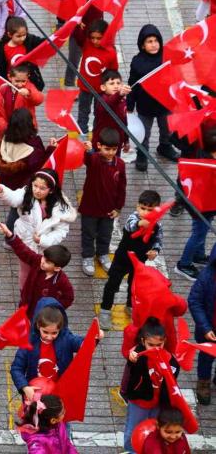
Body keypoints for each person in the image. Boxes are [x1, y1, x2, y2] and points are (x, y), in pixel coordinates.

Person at [0, 169, 76, 289]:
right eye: (35, 186)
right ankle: (24, 292)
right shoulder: (26, 193)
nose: (37, 190)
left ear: (51, 190)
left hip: (46, 249)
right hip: (26, 242)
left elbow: (61, 231)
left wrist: (43, 240)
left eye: (42, 188)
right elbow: (14, 198)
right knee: (25, 271)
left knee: (42, 273)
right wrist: (3, 191)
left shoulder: (61, 208)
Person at [99, 190, 164, 329]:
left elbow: (158, 240)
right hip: (122, 259)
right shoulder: (133, 218)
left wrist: (155, 250)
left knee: (135, 286)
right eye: (142, 208)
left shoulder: (157, 224)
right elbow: (131, 226)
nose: (145, 212)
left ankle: (130, 305)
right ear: (137, 206)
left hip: (139, 261)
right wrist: (141, 223)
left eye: (150, 210)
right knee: (112, 284)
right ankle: (105, 310)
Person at [11, 298, 89, 402]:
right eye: (45, 332)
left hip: (59, 393)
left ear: (60, 328)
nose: (49, 337)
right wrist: (25, 387)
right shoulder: (28, 343)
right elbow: (16, 368)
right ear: (38, 326)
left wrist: (94, 337)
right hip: (35, 394)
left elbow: (83, 344)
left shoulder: (66, 339)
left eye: (54, 333)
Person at [121, 317, 180, 453]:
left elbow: (172, 382)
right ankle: (131, 450)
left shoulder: (170, 360)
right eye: (151, 345)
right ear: (143, 341)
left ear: (164, 341)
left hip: (158, 403)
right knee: (132, 429)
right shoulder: (138, 356)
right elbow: (132, 372)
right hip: (139, 401)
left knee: (155, 429)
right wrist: (131, 360)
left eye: (159, 345)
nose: (155, 348)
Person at [128, 24, 180, 171]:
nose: (154, 44)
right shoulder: (137, 62)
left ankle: (165, 146)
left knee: (166, 129)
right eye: (149, 41)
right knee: (144, 132)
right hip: (145, 105)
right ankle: (142, 153)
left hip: (165, 103)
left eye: (156, 41)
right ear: (142, 45)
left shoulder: (167, 57)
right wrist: (130, 106)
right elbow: (133, 85)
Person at [77, 128, 127, 277]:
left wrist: (118, 207)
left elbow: (122, 187)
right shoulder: (94, 160)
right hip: (90, 207)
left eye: (114, 149)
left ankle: (103, 254)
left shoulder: (120, 164)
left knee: (106, 234)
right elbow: (88, 160)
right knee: (88, 233)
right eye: (107, 149)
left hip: (109, 209)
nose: (110, 152)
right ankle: (87, 256)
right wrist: (88, 151)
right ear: (99, 146)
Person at [0, 223, 74, 317]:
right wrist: (9, 235)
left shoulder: (62, 280)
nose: (42, 261)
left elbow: (69, 297)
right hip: (25, 306)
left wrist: (54, 309)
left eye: (47, 262)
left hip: (41, 316)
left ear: (57, 268)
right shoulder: (38, 261)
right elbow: (24, 251)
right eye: (44, 257)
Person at [0, 109, 53, 223]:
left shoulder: (5, 140)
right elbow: (42, 167)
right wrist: (51, 149)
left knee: (15, 207)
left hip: (9, 186)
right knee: (20, 212)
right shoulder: (32, 149)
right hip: (25, 190)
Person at [174, 124, 216, 279]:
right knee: (198, 233)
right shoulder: (205, 165)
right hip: (201, 207)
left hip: (206, 206)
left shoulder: (202, 156)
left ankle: (199, 255)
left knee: (203, 230)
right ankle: (184, 264)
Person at [64, 0, 103, 91]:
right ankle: (69, 84)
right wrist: (76, 14)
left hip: (96, 32)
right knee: (74, 60)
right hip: (80, 33)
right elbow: (69, 11)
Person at [76, 19, 119, 133]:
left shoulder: (111, 52)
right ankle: (82, 132)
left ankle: (97, 133)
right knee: (83, 111)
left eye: (99, 38)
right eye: (92, 38)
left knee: (99, 113)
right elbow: (78, 38)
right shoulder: (87, 44)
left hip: (101, 90)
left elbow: (113, 72)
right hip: (85, 87)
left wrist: (112, 88)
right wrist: (78, 27)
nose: (95, 41)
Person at [0, 64, 45, 138]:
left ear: (28, 77)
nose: (20, 85)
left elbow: (39, 99)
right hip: (6, 130)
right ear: (10, 77)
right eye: (17, 81)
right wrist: (3, 126)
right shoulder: (2, 90)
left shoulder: (29, 87)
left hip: (25, 129)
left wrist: (29, 93)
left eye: (23, 81)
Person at [188, 260, 216, 404]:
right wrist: (206, 328)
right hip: (210, 330)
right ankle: (203, 382)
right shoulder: (207, 276)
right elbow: (195, 301)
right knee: (206, 357)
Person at [0, 17, 46, 91]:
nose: (22, 38)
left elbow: (43, 43)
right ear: (9, 34)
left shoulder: (29, 40)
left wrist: (56, 36)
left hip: (29, 81)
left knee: (34, 96)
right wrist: (4, 84)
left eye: (24, 35)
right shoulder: (1, 49)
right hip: (14, 84)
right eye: (18, 36)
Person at [92, 70, 131, 153]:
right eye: (112, 83)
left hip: (117, 143)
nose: (116, 86)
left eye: (118, 83)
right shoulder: (102, 100)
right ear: (103, 87)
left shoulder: (122, 101)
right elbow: (110, 103)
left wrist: (126, 140)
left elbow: (124, 122)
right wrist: (119, 94)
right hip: (102, 144)